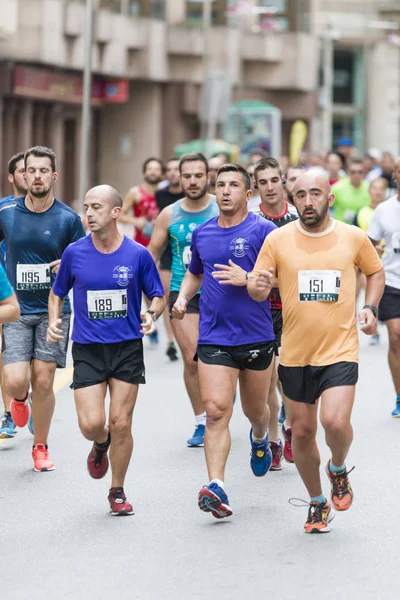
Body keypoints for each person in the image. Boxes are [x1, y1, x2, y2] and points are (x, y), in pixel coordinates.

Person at [248, 171, 384, 534]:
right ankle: (316, 502)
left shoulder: (352, 237)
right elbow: (259, 288)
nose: (308, 202)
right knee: (304, 434)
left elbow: (375, 271)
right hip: (294, 354)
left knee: (335, 423)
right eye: (302, 195)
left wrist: (370, 307)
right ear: (294, 200)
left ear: (330, 198)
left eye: (315, 194)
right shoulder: (278, 240)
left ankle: (337, 468)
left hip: (340, 349)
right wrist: (257, 286)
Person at [48, 185, 165, 515]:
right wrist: (55, 320)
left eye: (96, 207)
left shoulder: (137, 255)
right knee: (92, 425)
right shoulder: (74, 253)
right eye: (86, 207)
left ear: (116, 212)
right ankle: (100, 444)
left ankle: (117, 490)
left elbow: (157, 295)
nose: (88, 214)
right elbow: (57, 293)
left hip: (126, 347)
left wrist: (151, 314)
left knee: (121, 422)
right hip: (87, 348)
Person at [172, 164, 277, 518]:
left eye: (234, 185)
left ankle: (261, 437)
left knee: (255, 411)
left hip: (256, 335)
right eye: (221, 185)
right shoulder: (202, 233)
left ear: (249, 194)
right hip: (214, 335)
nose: (226, 190)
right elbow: (195, 272)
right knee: (217, 411)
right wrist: (184, 297)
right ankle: (215, 485)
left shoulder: (265, 231)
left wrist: (248, 277)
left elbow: (281, 279)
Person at [0, 146, 86, 471]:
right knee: (15, 380)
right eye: (30, 170)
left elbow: (83, 262)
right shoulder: (6, 213)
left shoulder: (68, 219)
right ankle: (20, 400)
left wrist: (67, 264)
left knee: (45, 380)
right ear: (23, 175)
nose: (36, 176)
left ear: (54, 175)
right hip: (17, 312)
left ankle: (40, 446)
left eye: (42, 171)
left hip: (54, 310)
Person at [148, 152, 218, 447]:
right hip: (182, 293)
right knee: (192, 359)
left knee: (219, 358)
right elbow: (151, 252)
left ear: (207, 177)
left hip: (221, 292)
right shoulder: (170, 214)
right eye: (186, 175)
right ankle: (202, 420)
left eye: (197, 175)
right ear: (178, 177)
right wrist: (153, 292)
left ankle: (220, 404)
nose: (192, 181)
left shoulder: (221, 207)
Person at [250, 157, 299, 470]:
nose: (269, 187)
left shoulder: (297, 218)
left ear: (283, 181)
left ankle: (291, 427)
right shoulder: (250, 218)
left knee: (287, 375)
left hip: (292, 307)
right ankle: (272, 440)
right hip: (258, 308)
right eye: (262, 182)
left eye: (273, 180)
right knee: (267, 381)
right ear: (256, 186)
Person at [368, 158, 400, 417]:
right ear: (395, 176)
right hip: (391, 279)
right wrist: (374, 250)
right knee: (396, 336)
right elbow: (370, 242)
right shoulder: (384, 210)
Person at [0, 152, 28, 438]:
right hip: (6, 288)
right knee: (4, 352)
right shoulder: (2, 211)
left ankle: (27, 398)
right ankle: (9, 411)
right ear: (11, 177)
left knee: (32, 362)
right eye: (21, 171)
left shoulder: (45, 210)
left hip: (35, 295)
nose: (27, 176)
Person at [155, 157, 183, 362]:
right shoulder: (160, 195)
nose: (173, 173)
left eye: (177, 169)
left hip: (187, 250)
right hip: (167, 251)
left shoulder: (190, 194)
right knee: (167, 297)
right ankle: (171, 340)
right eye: (170, 169)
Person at [354, 177, 388, 345]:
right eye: (374, 188)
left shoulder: (389, 211)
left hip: (386, 260)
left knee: (376, 293)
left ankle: (374, 324)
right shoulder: (361, 212)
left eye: (381, 188)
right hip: (363, 260)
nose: (377, 191)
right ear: (369, 191)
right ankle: (359, 323)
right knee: (361, 291)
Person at [119, 157, 164, 247]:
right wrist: (136, 221)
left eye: (156, 169)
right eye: (150, 169)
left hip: (162, 245)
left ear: (162, 173)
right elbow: (119, 215)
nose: (153, 172)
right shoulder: (135, 192)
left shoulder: (166, 193)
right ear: (144, 173)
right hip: (140, 244)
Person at [332, 158, 370, 224]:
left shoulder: (369, 188)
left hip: (363, 231)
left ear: (364, 172)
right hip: (342, 230)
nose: (356, 175)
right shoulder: (337, 188)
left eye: (360, 172)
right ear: (348, 172)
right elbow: (327, 208)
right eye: (353, 172)